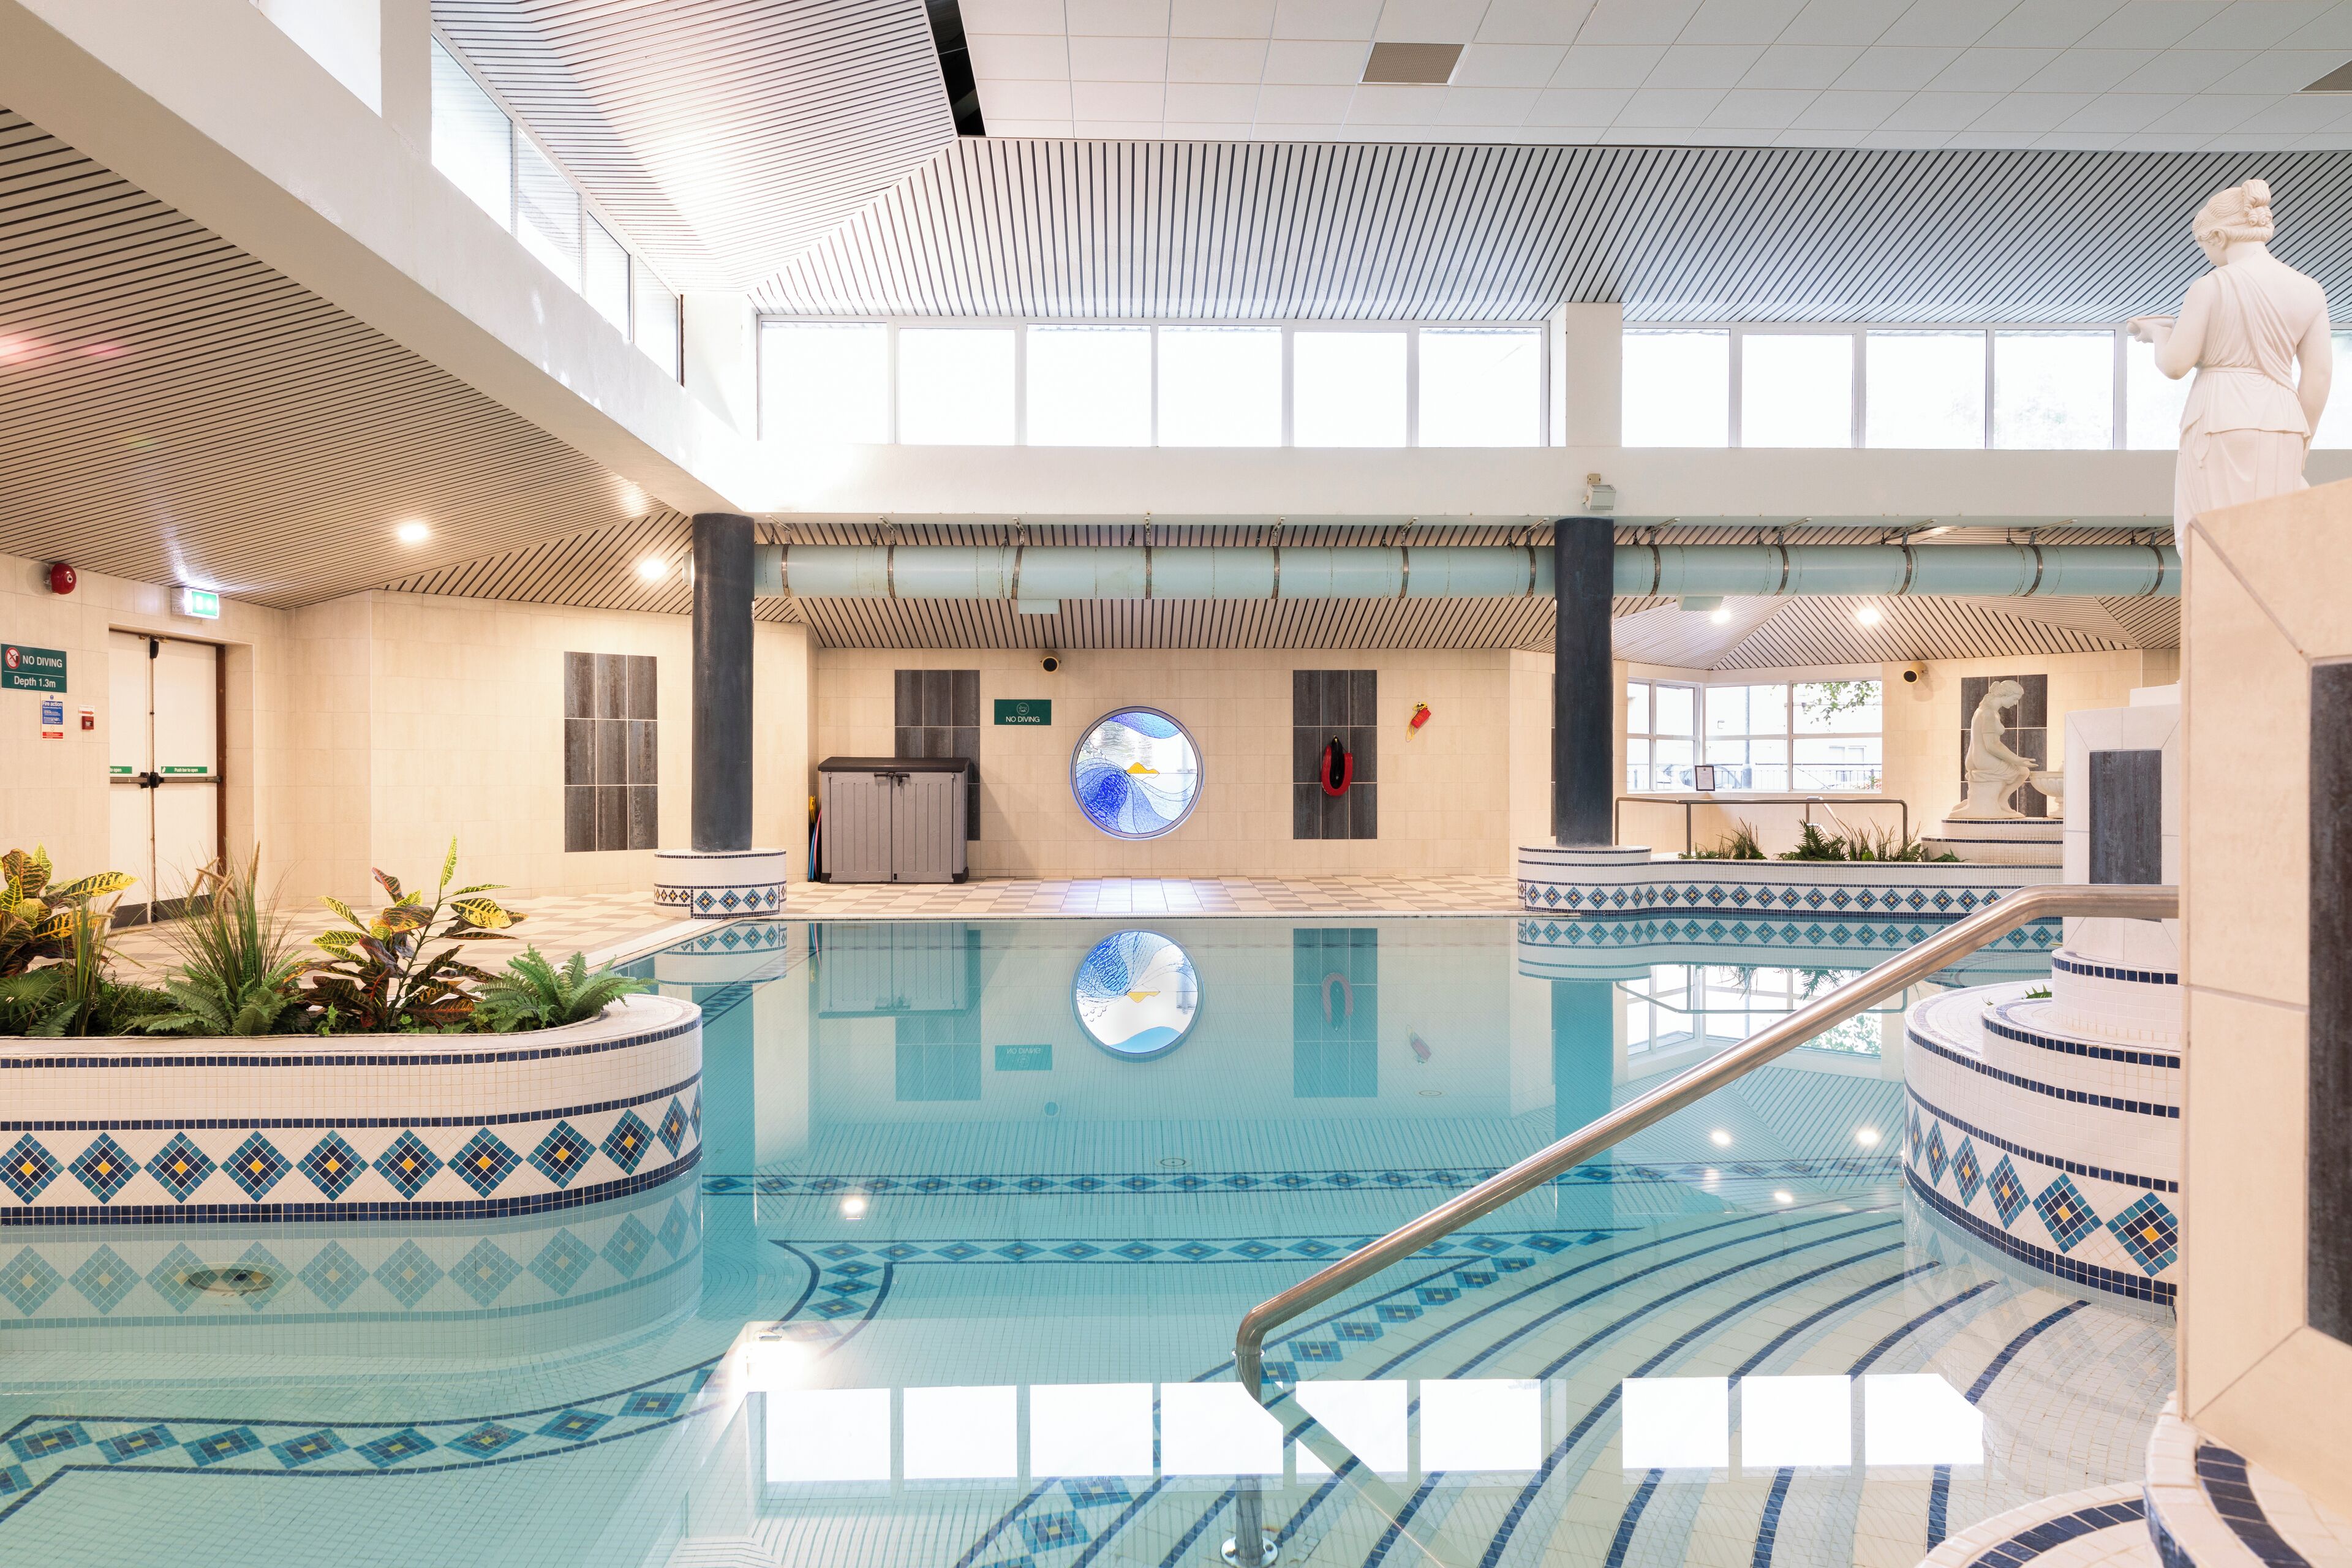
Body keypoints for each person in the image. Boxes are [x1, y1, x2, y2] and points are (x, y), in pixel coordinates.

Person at [2128, 178, 2332, 527]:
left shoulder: (2211, 285)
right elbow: (2318, 378)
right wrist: (2303, 440)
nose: (2207, 254)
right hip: (2283, 422)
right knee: (2269, 536)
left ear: (2219, 238)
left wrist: (2160, 333)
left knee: (2213, 535)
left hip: (2219, 416)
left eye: (2204, 245)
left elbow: (2176, 365)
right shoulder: (2309, 290)